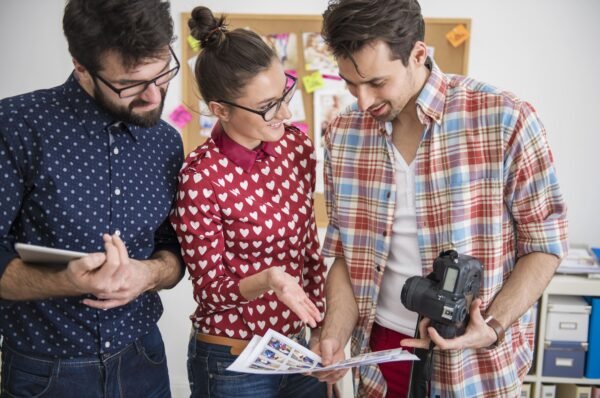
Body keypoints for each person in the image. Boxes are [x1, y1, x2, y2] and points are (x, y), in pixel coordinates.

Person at [312, 0, 569, 396]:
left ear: (418, 53)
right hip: (381, 360)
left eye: (377, 83)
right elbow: (347, 258)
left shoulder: (504, 118)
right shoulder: (343, 134)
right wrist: (333, 334)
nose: (362, 102)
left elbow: (545, 245)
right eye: (350, 84)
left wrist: (493, 326)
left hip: (478, 368)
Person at [0, 0, 184, 396]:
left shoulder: (167, 141)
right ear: (81, 66)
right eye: (131, 84)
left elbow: (174, 250)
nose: (154, 96)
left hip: (144, 360)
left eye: (163, 73)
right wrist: (65, 280)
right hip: (47, 372)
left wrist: (148, 274)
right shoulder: (15, 126)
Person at [169, 6, 327, 398]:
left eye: (285, 92)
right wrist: (270, 280)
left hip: (296, 348)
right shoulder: (199, 178)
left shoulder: (294, 145)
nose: (286, 113)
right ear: (220, 110)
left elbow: (308, 246)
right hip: (233, 360)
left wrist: (322, 326)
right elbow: (209, 291)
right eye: (267, 106)